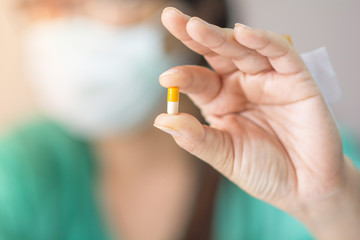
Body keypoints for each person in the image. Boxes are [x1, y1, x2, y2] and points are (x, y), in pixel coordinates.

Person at [0, 2, 359, 240]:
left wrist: (328, 207)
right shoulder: (20, 170)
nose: (54, 23)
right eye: (37, 7)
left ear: (195, 9)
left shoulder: (319, 162)